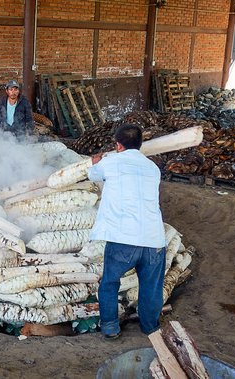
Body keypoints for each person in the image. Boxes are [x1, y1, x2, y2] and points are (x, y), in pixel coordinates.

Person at [87, 123, 166, 340]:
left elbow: (92, 175)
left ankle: (111, 327)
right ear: (140, 145)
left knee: (110, 282)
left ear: (118, 145)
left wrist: (95, 163)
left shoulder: (110, 162)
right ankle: (150, 327)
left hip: (124, 239)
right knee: (151, 286)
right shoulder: (153, 168)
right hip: (154, 239)